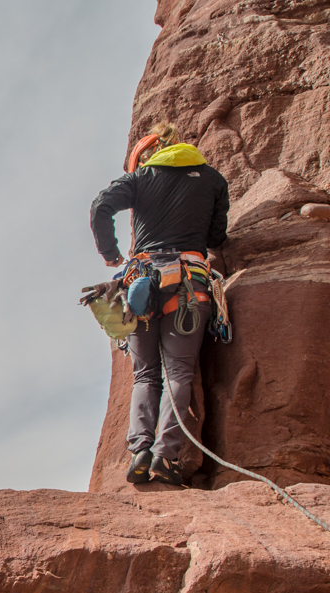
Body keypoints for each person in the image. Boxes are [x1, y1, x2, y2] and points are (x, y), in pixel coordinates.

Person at [87, 122, 230, 485]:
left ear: (145, 157)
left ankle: (140, 450)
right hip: (189, 284)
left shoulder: (139, 180)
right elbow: (217, 236)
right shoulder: (213, 180)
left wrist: (111, 253)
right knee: (179, 372)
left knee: (145, 374)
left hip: (141, 285)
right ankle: (165, 458)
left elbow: (101, 206)